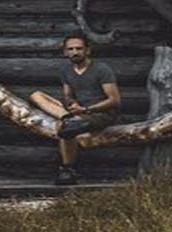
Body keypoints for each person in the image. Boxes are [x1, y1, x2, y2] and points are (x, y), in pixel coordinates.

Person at [29, 32, 121, 185]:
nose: (75, 52)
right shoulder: (66, 71)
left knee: (67, 129)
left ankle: (67, 169)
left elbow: (114, 100)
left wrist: (85, 109)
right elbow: (68, 95)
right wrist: (72, 104)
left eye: (79, 48)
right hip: (79, 112)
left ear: (87, 50)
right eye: (70, 49)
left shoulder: (101, 69)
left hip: (101, 113)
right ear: (65, 52)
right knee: (36, 95)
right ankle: (67, 117)